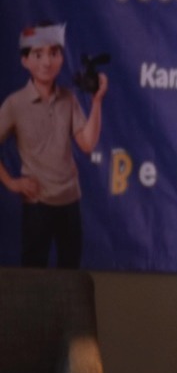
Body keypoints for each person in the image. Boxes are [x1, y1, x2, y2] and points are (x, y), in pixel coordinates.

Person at [0, 22, 107, 268]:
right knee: (32, 275)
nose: (47, 62)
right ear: (25, 61)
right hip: (37, 203)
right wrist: (12, 182)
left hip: (70, 200)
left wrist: (97, 102)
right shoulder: (15, 104)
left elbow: (87, 144)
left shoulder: (69, 99)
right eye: (38, 55)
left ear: (61, 58)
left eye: (54, 53)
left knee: (70, 274)